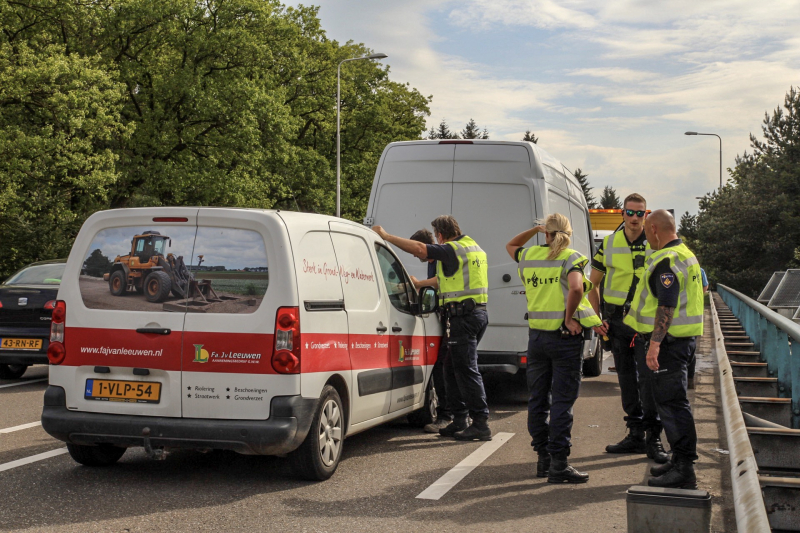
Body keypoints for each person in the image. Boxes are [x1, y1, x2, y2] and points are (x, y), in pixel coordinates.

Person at [373, 216, 491, 441]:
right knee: (449, 367)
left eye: (436, 235)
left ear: (440, 235)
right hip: (473, 313)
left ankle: (481, 423)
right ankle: (459, 419)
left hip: (463, 317)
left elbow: (419, 248)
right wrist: (420, 285)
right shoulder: (473, 248)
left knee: (466, 370)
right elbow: (445, 280)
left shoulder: (452, 249)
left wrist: (386, 236)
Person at [506, 213, 601, 484]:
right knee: (562, 401)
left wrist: (532, 229)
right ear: (568, 235)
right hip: (563, 339)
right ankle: (559, 464)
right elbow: (575, 288)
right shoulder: (571, 257)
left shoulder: (530, 255)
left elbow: (510, 246)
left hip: (536, 338)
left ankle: (543, 458)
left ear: (545, 234)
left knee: (538, 398)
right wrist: (569, 318)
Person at [623, 209, 704, 489]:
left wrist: (654, 345)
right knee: (671, 402)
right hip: (682, 340)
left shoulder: (666, 259)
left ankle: (684, 469)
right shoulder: (685, 253)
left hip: (669, 344)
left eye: (647, 231)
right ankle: (677, 460)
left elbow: (666, 304)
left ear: (655, 229)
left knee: (672, 404)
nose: (645, 236)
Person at [588, 194, 668, 464]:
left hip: (645, 326)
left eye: (640, 213)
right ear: (622, 214)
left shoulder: (656, 244)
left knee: (648, 381)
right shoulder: (609, 243)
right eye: (630, 213)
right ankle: (634, 434)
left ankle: (653, 438)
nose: (634, 218)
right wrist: (597, 316)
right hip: (617, 324)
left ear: (646, 216)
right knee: (626, 380)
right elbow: (593, 283)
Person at [408, 229, 452, 433]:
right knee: (444, 366)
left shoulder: (440, 259)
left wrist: (419, 284)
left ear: (425, 246)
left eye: (417, 251)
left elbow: (440, 282)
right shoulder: (433, 262)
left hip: (451, 319)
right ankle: (453, 414)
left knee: (444, 366)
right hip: (443, 318)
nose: (416, 256)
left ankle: (448, 416)